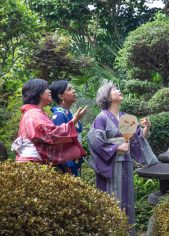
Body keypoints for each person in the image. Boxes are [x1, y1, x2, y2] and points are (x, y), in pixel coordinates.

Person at [87, 81, 159, 235]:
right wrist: (116, 147)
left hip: (125, 164)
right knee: (111, 199)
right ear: (107, 97)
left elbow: (138, 140)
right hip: (109, 164)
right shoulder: (102, 118)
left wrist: (147, 128)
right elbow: (94, 140)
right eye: (115, 89)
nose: (119, 90)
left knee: (126, 200)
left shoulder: (126, 118)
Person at [11, 78, 87, 164]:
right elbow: (52, 135)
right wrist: (74, 121)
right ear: (37, 93)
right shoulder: (34, 114)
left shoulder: (33, 113)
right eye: (46, 88)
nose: (49, 91)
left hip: (34, 162)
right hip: (33, 162)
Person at [49, 80, 84, 176]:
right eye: (69, 89)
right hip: (67, 166)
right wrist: (68, 167)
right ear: (61, 96)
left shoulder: (69, 113)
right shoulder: (59, 115)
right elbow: (61, 144)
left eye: (73, 88)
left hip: (74, 161)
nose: (74, 91)